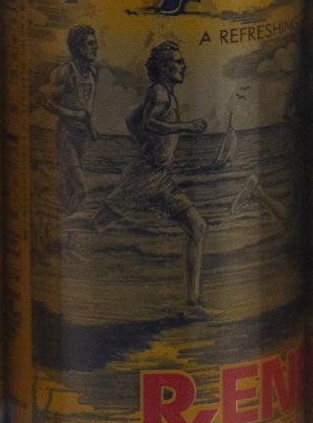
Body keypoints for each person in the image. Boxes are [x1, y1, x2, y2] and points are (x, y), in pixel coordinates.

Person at [75, 41, 211, 314]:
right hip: (145, 177)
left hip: (160, 177)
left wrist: (146, 147)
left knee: (198, 227)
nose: (183, 66)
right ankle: (54, 231)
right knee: (96, 224)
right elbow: (149, 123)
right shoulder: (159, 92)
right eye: (178, 62)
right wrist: (186, 127)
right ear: (164, 67)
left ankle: (193, 302)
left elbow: (131, 120)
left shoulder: (165, 94)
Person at [39, 25, 99, 216]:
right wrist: (73, 114)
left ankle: (61, 219)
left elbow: (85, 106)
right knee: (81, 188)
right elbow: (46, 101)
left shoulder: (93, 72)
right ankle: (70, 221)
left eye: (95, 43)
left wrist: (90, 127)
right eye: (91, 44)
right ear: (78, 47)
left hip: (82, 136)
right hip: (66, 134)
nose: (96, 47)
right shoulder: (67, 71)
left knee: (69, 185)